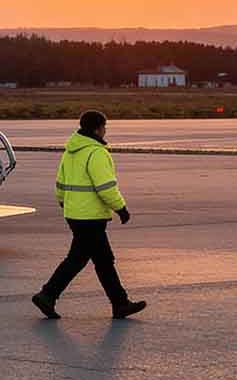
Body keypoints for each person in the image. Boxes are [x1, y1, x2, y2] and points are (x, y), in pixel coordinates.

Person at [33, 110, 146, 319]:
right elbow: (105, 186)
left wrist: (64, 202)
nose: (105, 130)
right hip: (90, 217)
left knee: (93, 259)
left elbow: (60, 182)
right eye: (104, 126)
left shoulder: (71, 150)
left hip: (74, 214)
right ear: (97, 128)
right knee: (92, 260)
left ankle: (118, 303)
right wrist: (120, 208)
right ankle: (48, 294)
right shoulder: (96, 152)